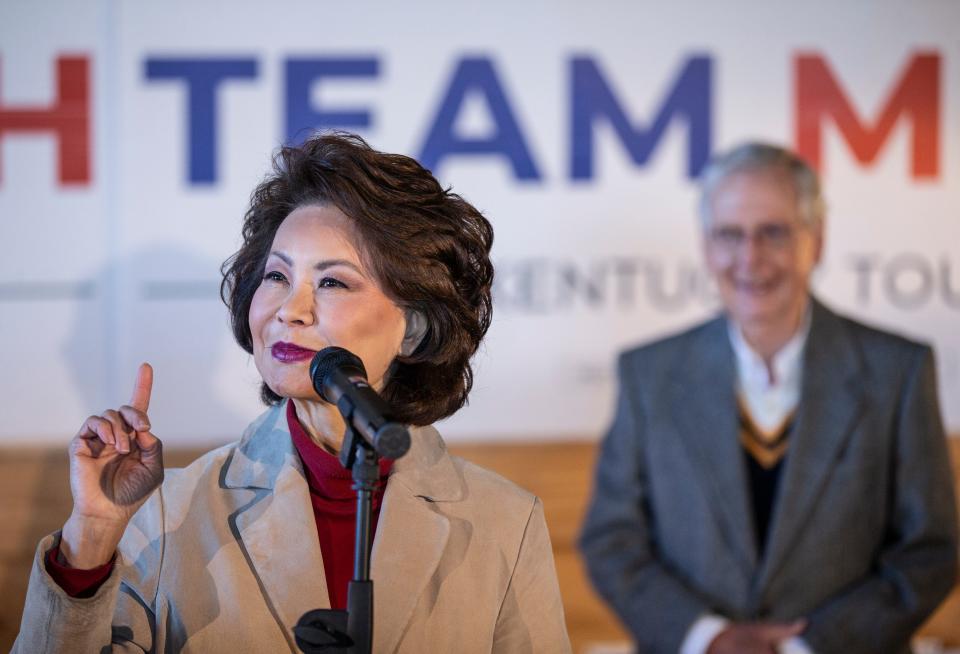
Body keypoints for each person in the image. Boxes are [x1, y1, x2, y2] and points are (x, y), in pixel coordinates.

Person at [15, 132, 572, 653]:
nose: (290, 310)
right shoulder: (165, 512)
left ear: (416, 327)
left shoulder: (506, 521)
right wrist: (91, 537)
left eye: (332, 282)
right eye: (277, 277)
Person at [579, 142, 958, 654]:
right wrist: (710, 638)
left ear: (816, 241)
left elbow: (930, 550)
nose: (749, 258)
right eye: (729, 235)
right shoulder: (648, 374)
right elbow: (611, 540)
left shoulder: (899, 370)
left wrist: (805, 648)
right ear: (706, 246)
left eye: (773, 233)